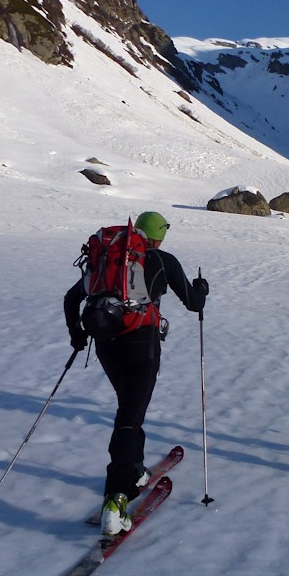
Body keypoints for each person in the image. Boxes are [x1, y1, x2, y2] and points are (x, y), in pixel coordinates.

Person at [64, 211, 208, 536]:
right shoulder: (161, 260)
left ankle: (136, 469)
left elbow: (72, 298)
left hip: (106, 344)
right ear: (159, 237)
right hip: (141, 344)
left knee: (130, 406)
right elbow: (194, 302)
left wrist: (77, 334)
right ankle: (116, 500)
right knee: (129, 416)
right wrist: (202, 288)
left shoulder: (109, 260)